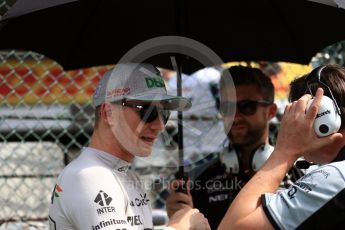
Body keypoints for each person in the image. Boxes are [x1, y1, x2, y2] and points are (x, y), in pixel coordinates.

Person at [48, 63, 211, 230]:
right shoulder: (89, 175)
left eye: (164, 113)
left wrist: (176, 215)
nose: (160, 125)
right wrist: (178, 227)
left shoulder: (127, 177)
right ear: (108, 113)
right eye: (148, 112)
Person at [166, 66, 303, 229]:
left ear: (271, 111)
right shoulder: (198, 181)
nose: (235, 117)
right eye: (227, 107)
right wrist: (181, 217)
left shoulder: (298, 177)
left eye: (247, 106)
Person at [218, 64, 345, 229]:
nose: (235, 117)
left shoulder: (334, 177)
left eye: (298, 113)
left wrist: (284, 152)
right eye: (227, 108)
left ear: (324, 117)